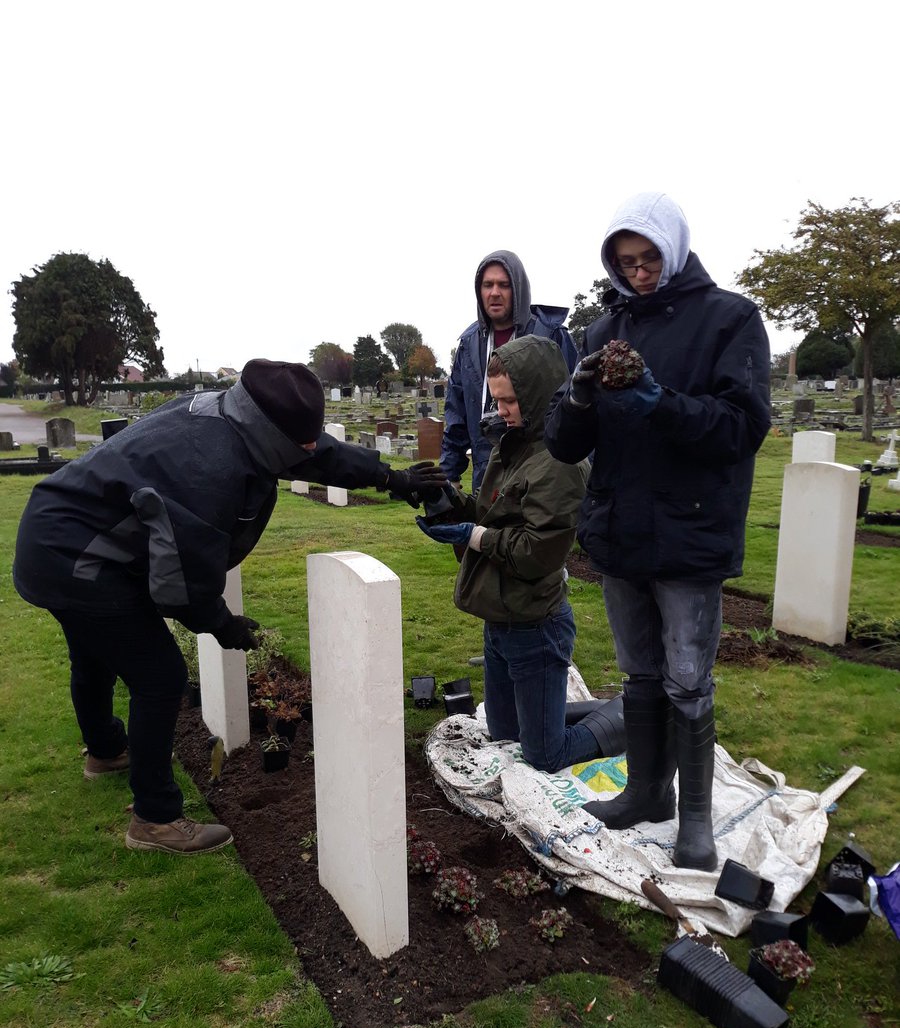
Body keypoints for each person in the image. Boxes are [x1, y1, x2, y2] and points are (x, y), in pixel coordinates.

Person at [13, 360, 443, 855]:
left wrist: (393, 479)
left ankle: (106, 752)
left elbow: (316, 452)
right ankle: (155, 819)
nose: (308, 448)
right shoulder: (209, 469)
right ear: (274, 434)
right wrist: (223, 625)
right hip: (77, 557)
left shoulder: (238, 416)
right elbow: (186, 584)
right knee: (159, 675)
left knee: (95, 653)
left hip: (56, 531)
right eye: (299, 442)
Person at [545, 193, 771, 871]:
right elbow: (562, 444)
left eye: (648, 259)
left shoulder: (730, 319)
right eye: (626, 262)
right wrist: (579, 397)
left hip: (688, 532)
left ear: (672, 249)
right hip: (619, 530)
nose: (639, 272)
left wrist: (660, 402)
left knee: (686, 681)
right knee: (638, 673)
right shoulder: (599, 331)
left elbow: (740, 428)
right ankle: (647, 793)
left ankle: (694, 819)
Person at [419, 336, 623, 773]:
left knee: (544, 755)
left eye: (510, 401)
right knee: (505, 733)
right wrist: (445, 498)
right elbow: (492, 514)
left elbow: (536, 553)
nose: (501, 410)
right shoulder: (512, 448)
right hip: (500, 617)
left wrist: (472, 535)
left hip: (536, 624)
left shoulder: (560, 463)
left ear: (536, 394)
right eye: (496, 400)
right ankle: (571, 716)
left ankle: (633, 716)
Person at [440, 251, 577, 491]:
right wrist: (448, 476)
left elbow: (576, 405)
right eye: (487, 285)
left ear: (518, 289)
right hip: (487, 476)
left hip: (542, 475)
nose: (494, 292)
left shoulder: (550, 336)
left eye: (504, 285)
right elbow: (457, 415)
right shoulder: (469, 344)